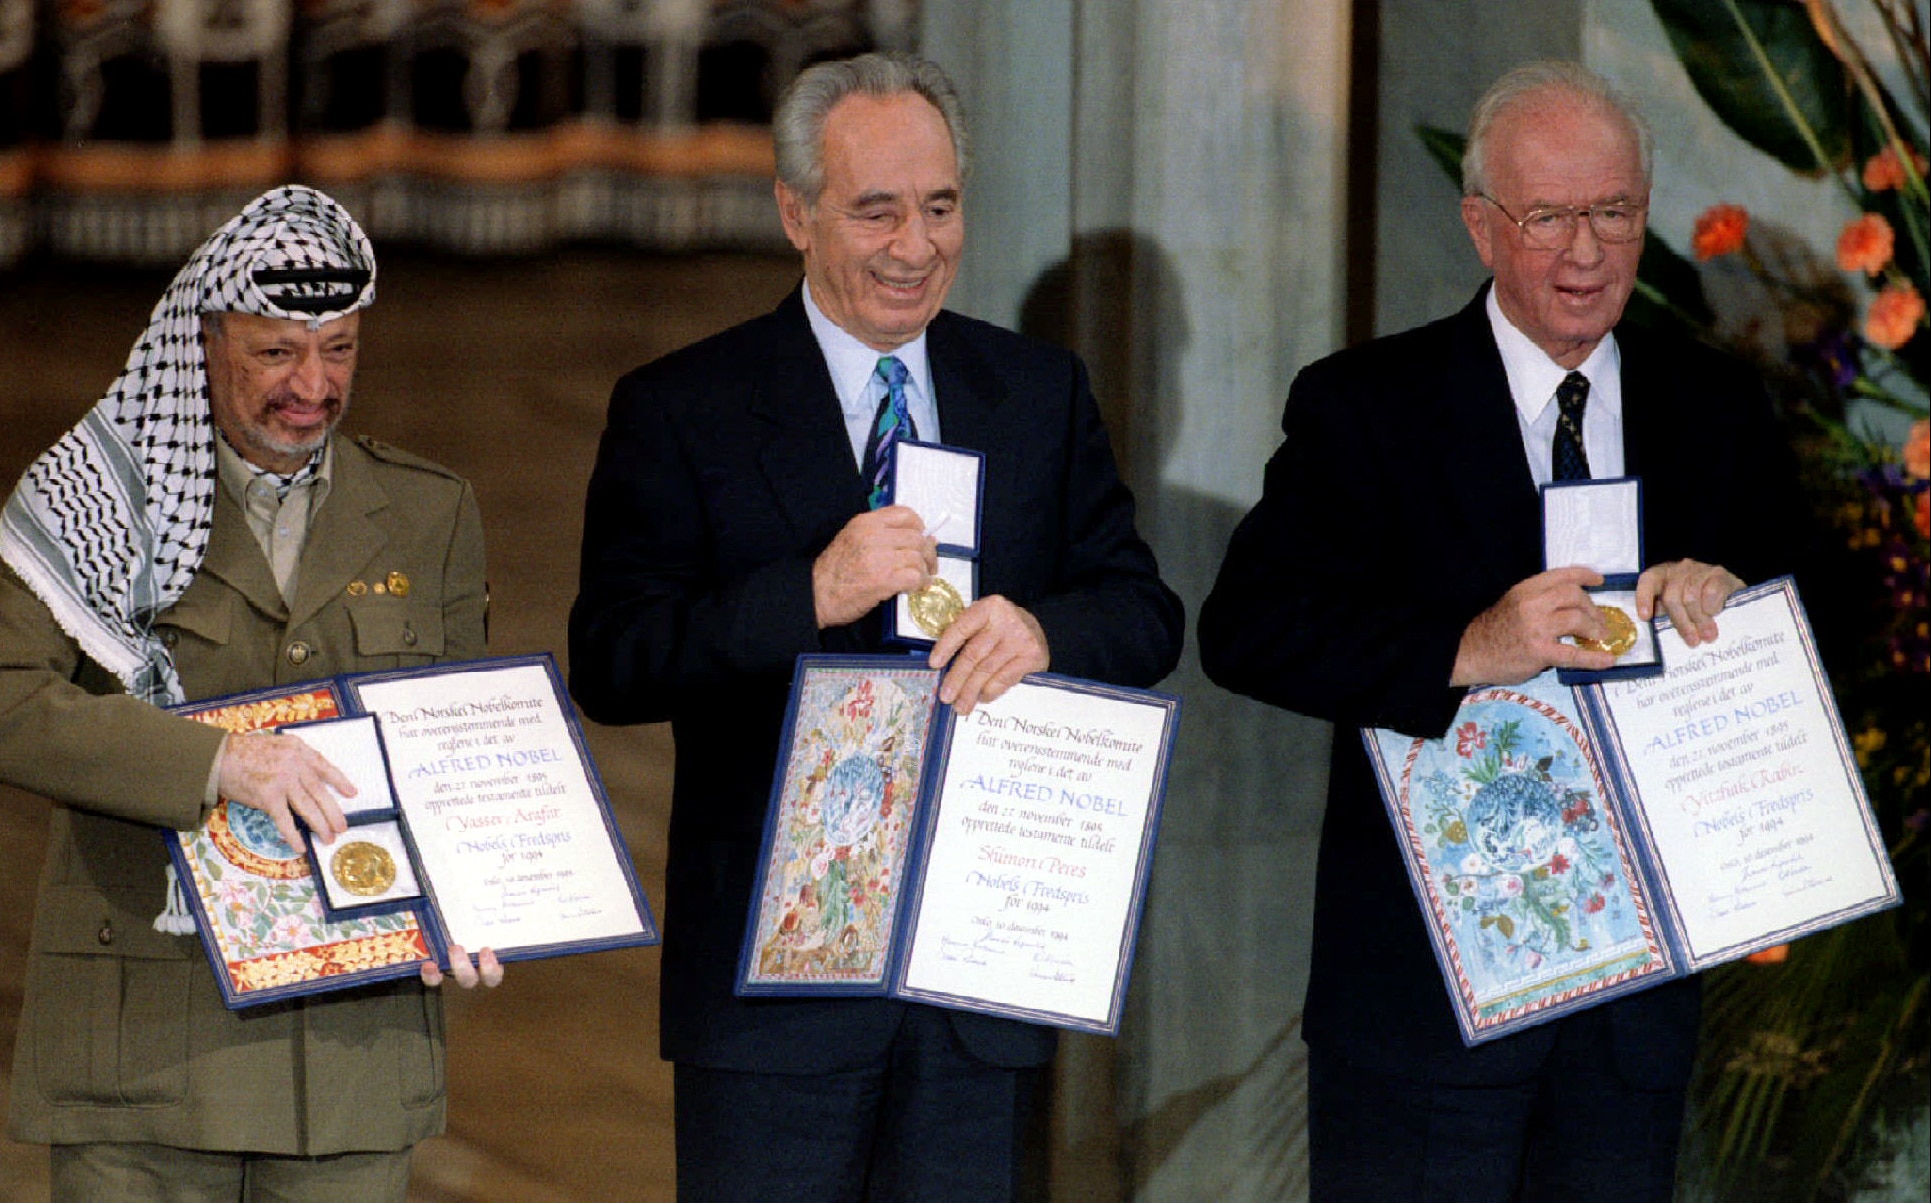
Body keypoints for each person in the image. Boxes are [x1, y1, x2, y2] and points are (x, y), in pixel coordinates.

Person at [1198, 62, 1817, 1201]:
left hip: (1633, 1013)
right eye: (1545, 218)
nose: (1583, 252)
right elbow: (1244, 629)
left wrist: (1735, 609)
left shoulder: (1714, 406)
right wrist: (1462, 648)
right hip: (1420, 1013)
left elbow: (1818, 621)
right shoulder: (1365, 405)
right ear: (1481, 226)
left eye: (1611, 214)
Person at [570, 51, 1183, 1202]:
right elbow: (614, 656)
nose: (916, 245)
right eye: (877, 211)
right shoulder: (682, 405)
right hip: (771, 999)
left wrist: (1044, 634)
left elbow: (1144, 612)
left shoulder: (1034, 391)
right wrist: (804, 594)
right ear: (795, 215)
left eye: (940, 207)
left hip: (979, 984)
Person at [0, 185, 502, 1202]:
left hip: (348, 1066)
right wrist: (218, 761)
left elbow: (456, 750)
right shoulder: (93, 506)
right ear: (203, 339)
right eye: (277, 352)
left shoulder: (428, 512)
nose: (312, 386)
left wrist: (485, 895)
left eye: (341, 351)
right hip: (144, 1057)